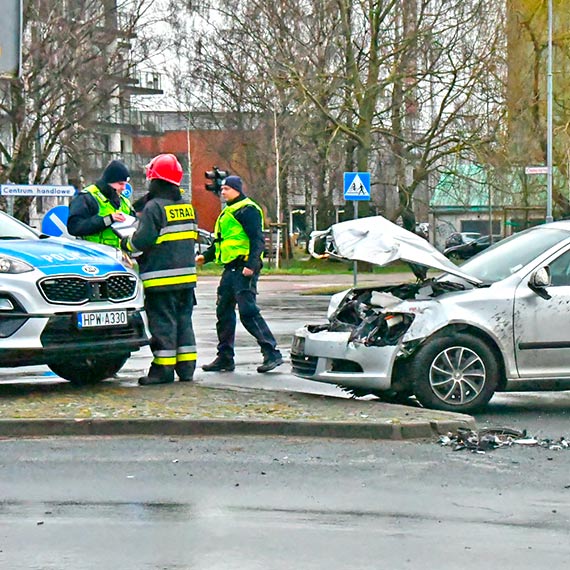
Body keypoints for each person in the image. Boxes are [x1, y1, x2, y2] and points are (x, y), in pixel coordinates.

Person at [121, 153, 198, 385]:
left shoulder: (154, 207)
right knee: (184, 323)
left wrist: (126, 243)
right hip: (186, 278)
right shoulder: (186, 206)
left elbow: (142, 241)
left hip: (160, 278)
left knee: (163, 325)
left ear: (154, 178)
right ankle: (186, 368)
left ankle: (163, 370)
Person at [196, 175, 283, 374]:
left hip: (244, 266)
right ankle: (225, 357)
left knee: (247, 311)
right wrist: (205, 257)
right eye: (222, 189)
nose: (223, 192)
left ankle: (272, 353)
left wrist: (251, 264)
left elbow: (257, 240)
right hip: (231, 268)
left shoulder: (247, 209)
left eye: (226, 189)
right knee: (224, 311)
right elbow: (222, 241)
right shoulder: (229, 211)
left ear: (236, 189)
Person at [67, 159, 133, 248]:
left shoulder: (125, 202)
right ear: (109, 182)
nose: (124, 188)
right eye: (120, 184)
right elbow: (74, 227)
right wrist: (108, 220)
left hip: (119, 258)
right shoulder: (87, 197)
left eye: (125, 184)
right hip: (94, 257)